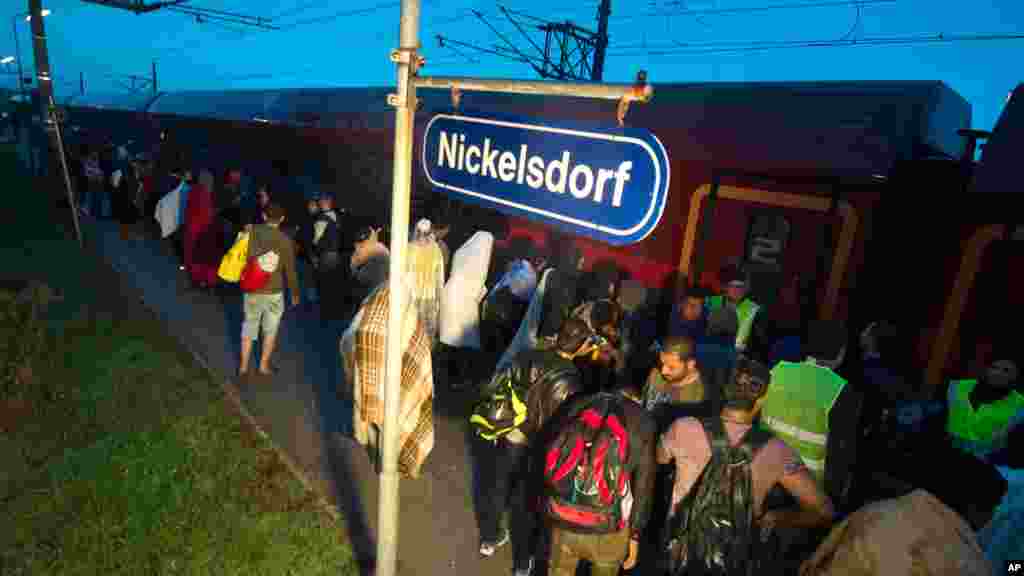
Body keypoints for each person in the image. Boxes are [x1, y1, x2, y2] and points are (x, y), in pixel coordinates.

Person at [658, 357, 834, 575]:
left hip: (680, 554)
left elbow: (660, 460)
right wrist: (776, 517)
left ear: (723, 391)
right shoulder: (777, 450)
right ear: (761, 400)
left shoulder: (682, 428)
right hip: (733, 562)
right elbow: (824, 510)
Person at [470, 317, 592, 575]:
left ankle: (489, 539)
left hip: (511, 431)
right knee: (527, 505)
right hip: (539, 445)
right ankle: (522, 563)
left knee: (497, 487)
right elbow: (564, 421)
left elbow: (502, 383)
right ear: (580, 347)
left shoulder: (528, 356)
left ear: (558, 335)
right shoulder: (572, 380)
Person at [543, 380, 657, 576]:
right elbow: (643, 486)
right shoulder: (643, 422)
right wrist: (634, 537)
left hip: (566, 518)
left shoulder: (579, 405)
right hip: (608, 527)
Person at [340, 277, 435, 479]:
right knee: (390, 431)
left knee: (392, 428)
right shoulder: (397, 296)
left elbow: (354, 337)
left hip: (391, 376)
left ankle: (393, 461)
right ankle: (392, 463)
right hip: (386, 381)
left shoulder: (391, 296)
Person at [760, 320, 848, 487]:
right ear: (841, 353)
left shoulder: (777, 370)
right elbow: (840, 451)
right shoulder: (840, 389)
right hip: (806, 484)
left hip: (764, 468)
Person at [238, 203, 299, 377]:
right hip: (274, 292)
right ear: (282, 219)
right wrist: (294, 293)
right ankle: (263, 366)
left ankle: (243, 366)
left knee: (249, 327)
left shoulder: (251, 232)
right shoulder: (285, 240)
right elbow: (290, 271)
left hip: (252, 288)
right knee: (270, 331)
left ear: (264, 216)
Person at [439, 230, 495, 390]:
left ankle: (448, 377)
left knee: (452, 341)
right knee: (465, 343)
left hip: (452, 296)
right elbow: (479, 285)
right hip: (464, 302)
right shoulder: (480, 260)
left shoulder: (463, 255)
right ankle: (457, 379)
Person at [946, 354, 1024, 465]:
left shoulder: (1021, 404)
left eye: (1006, 371)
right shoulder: (957, 386)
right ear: (986, 369)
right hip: (947, 451)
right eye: (994, 367)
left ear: (1015, 377)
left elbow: (1016, 444)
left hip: (986, 462)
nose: (998, 373)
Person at [643, 336, 706, 426]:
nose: (663, 371)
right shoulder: (656, 373)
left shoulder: (699, 396)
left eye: (671, 367)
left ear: (690, 365)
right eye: (663, 363)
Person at [406, 219, 446, 345]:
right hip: (412, 299)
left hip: (429, 300)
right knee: (411, 333)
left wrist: (439, 302)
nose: (422, 236)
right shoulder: (409, 249)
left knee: (425, 336)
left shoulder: (436, 250)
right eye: (420, 233)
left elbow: (439, 280)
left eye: (425, 233)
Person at [183, 169, 224, 291]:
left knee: (193, 257)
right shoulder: (206, 194)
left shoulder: (193, 191)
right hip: (203, 230)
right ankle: (206, 282)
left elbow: (189, 210)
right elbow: (207, 214)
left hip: (192, 229)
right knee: (205, 258)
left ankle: (197, 280)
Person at [707, 264, 761, 352]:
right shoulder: (711, 302)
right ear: (726, 287)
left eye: (740, 287)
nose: (737, 290)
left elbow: (757, 338)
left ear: (745, 289)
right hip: (712, 349)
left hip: (739, 353)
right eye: (733, 286)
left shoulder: (754, 308)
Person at [350, 224, 390, 314]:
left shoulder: (359, 251)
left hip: (369, 290)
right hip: (376, 292)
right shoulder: (379, 248)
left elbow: (355, 270)